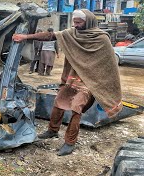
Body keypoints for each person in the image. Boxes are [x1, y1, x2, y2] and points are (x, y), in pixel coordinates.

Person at [13, 9, 123, 156]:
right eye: (74, 22)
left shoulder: (101, 39)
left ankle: (69, 143)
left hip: (90, 82)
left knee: (76, 107)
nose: (76, 25)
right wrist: (26, 36)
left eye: (79, 22)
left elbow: (109, 66)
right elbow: (50, 35)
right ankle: (52, 130)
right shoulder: (72, 34)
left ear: (88, 22)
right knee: (58, 102)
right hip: (73, 78)